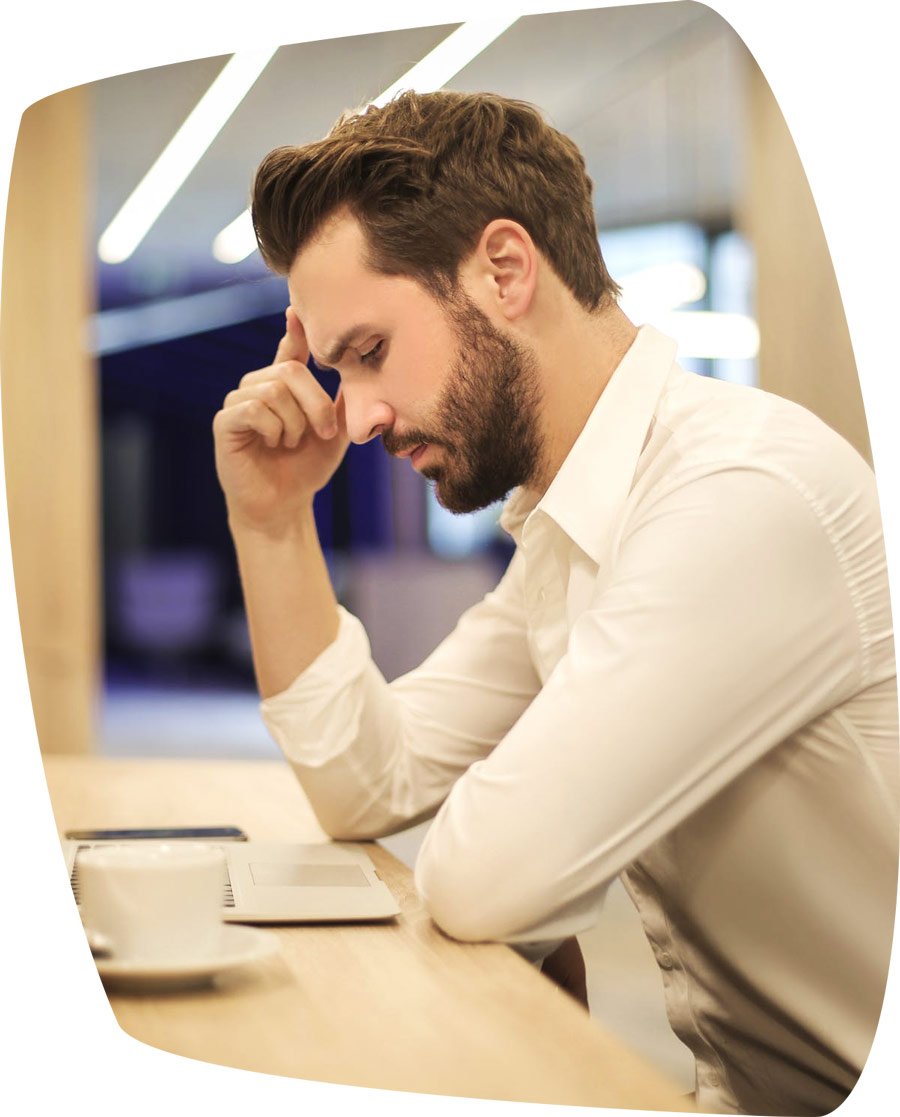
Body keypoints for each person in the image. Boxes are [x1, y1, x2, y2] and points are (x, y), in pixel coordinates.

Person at [212, 91, 898, 1116]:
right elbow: (369, 781)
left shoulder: (739, 494)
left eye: (370, 352)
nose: (355, 418)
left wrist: (512, 844)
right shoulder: (568, 532)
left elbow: (489, 876)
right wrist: (270, 524)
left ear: (504, 270)